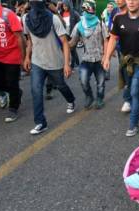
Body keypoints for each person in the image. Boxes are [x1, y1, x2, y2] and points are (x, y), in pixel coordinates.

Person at [103, 0, 139, 137]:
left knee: (134, 91)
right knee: (130, 86)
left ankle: (133, 125)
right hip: (126, 61)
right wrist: (107, 57)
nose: (131, 2)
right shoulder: (118, 18)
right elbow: (113, 39)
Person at [24, 0, 76, 135]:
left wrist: (66, 64)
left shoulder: (53, 19)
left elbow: (65, 42)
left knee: (61, 86)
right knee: (36, 91)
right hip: (37, 62)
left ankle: (71, 100)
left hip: (55, 62)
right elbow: (29, 40)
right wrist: (27, 57)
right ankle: (40, 123)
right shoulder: (26, 19)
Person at [69, 0, 107, 109]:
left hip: (99, 59)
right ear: (85, 9)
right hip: (86, 59)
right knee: (83, 80)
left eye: (93, 8)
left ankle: (99, 99)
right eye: (90, 8)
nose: (92, 10)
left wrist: (106, 56)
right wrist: (63, 44)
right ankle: (89, 96)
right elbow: (73, 42)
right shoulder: (79, 26)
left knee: (101, 83)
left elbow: (106, 39)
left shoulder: (100, 23)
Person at [59, 0, 80, 69]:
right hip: (64, 34)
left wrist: (78, 33)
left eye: (66, 6)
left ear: (68, 5)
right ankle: (76, 63)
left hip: (73, 34)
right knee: (67, 49)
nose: (64, 7)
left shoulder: (74, 13)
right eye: (63, 6)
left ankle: (72, 65)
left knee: (72, 49)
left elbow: (79, 22)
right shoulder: (61, 13)